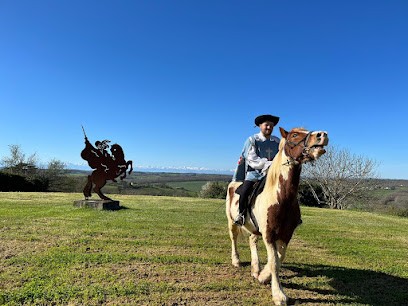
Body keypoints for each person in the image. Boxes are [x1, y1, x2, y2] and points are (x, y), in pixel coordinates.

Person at [232, 114, 280, 226]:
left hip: (272, 175)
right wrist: (268, 164)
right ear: (260, 126)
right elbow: (251, 158)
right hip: (254, 173)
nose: (269, 127)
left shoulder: (277, 141)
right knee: (245, 191)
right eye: (266, 125)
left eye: (271, 126)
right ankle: (241, 215)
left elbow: (280, 156)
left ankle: (292, 216)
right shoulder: (252, 140)